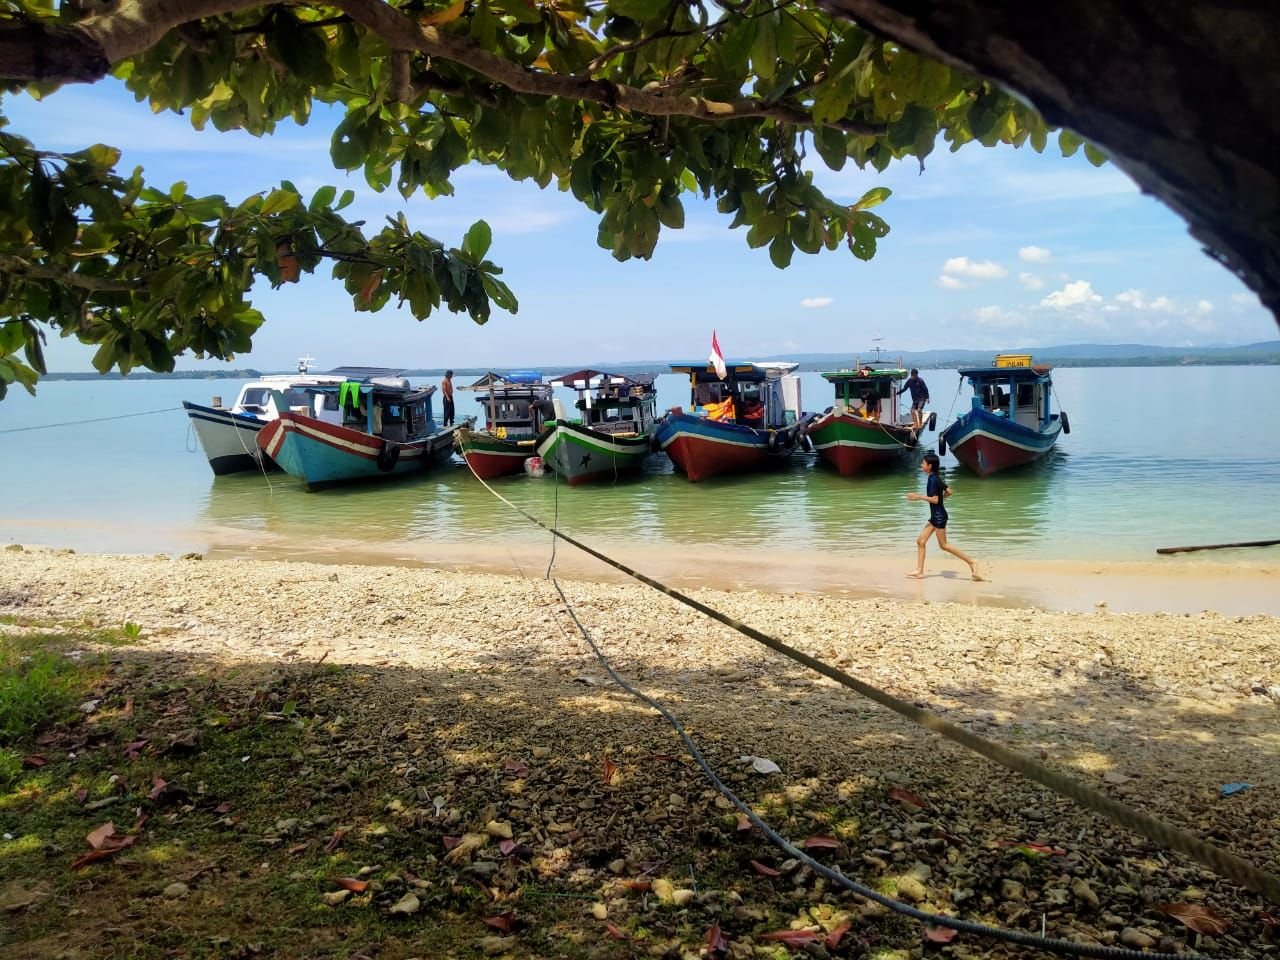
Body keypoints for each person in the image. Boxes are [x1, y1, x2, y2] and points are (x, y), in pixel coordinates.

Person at [905, 452, 983, 581]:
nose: (921, 465)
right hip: (936, 516)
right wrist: (941, 500)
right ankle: (919, 571)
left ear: (929, 466)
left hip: (939, 517)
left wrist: (918, 496)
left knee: (944, 545)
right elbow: (949, 491)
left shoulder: (932, 480)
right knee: (921, 541)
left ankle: (972, 561)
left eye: (923, 463)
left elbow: (935, 500)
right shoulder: (935, 477)